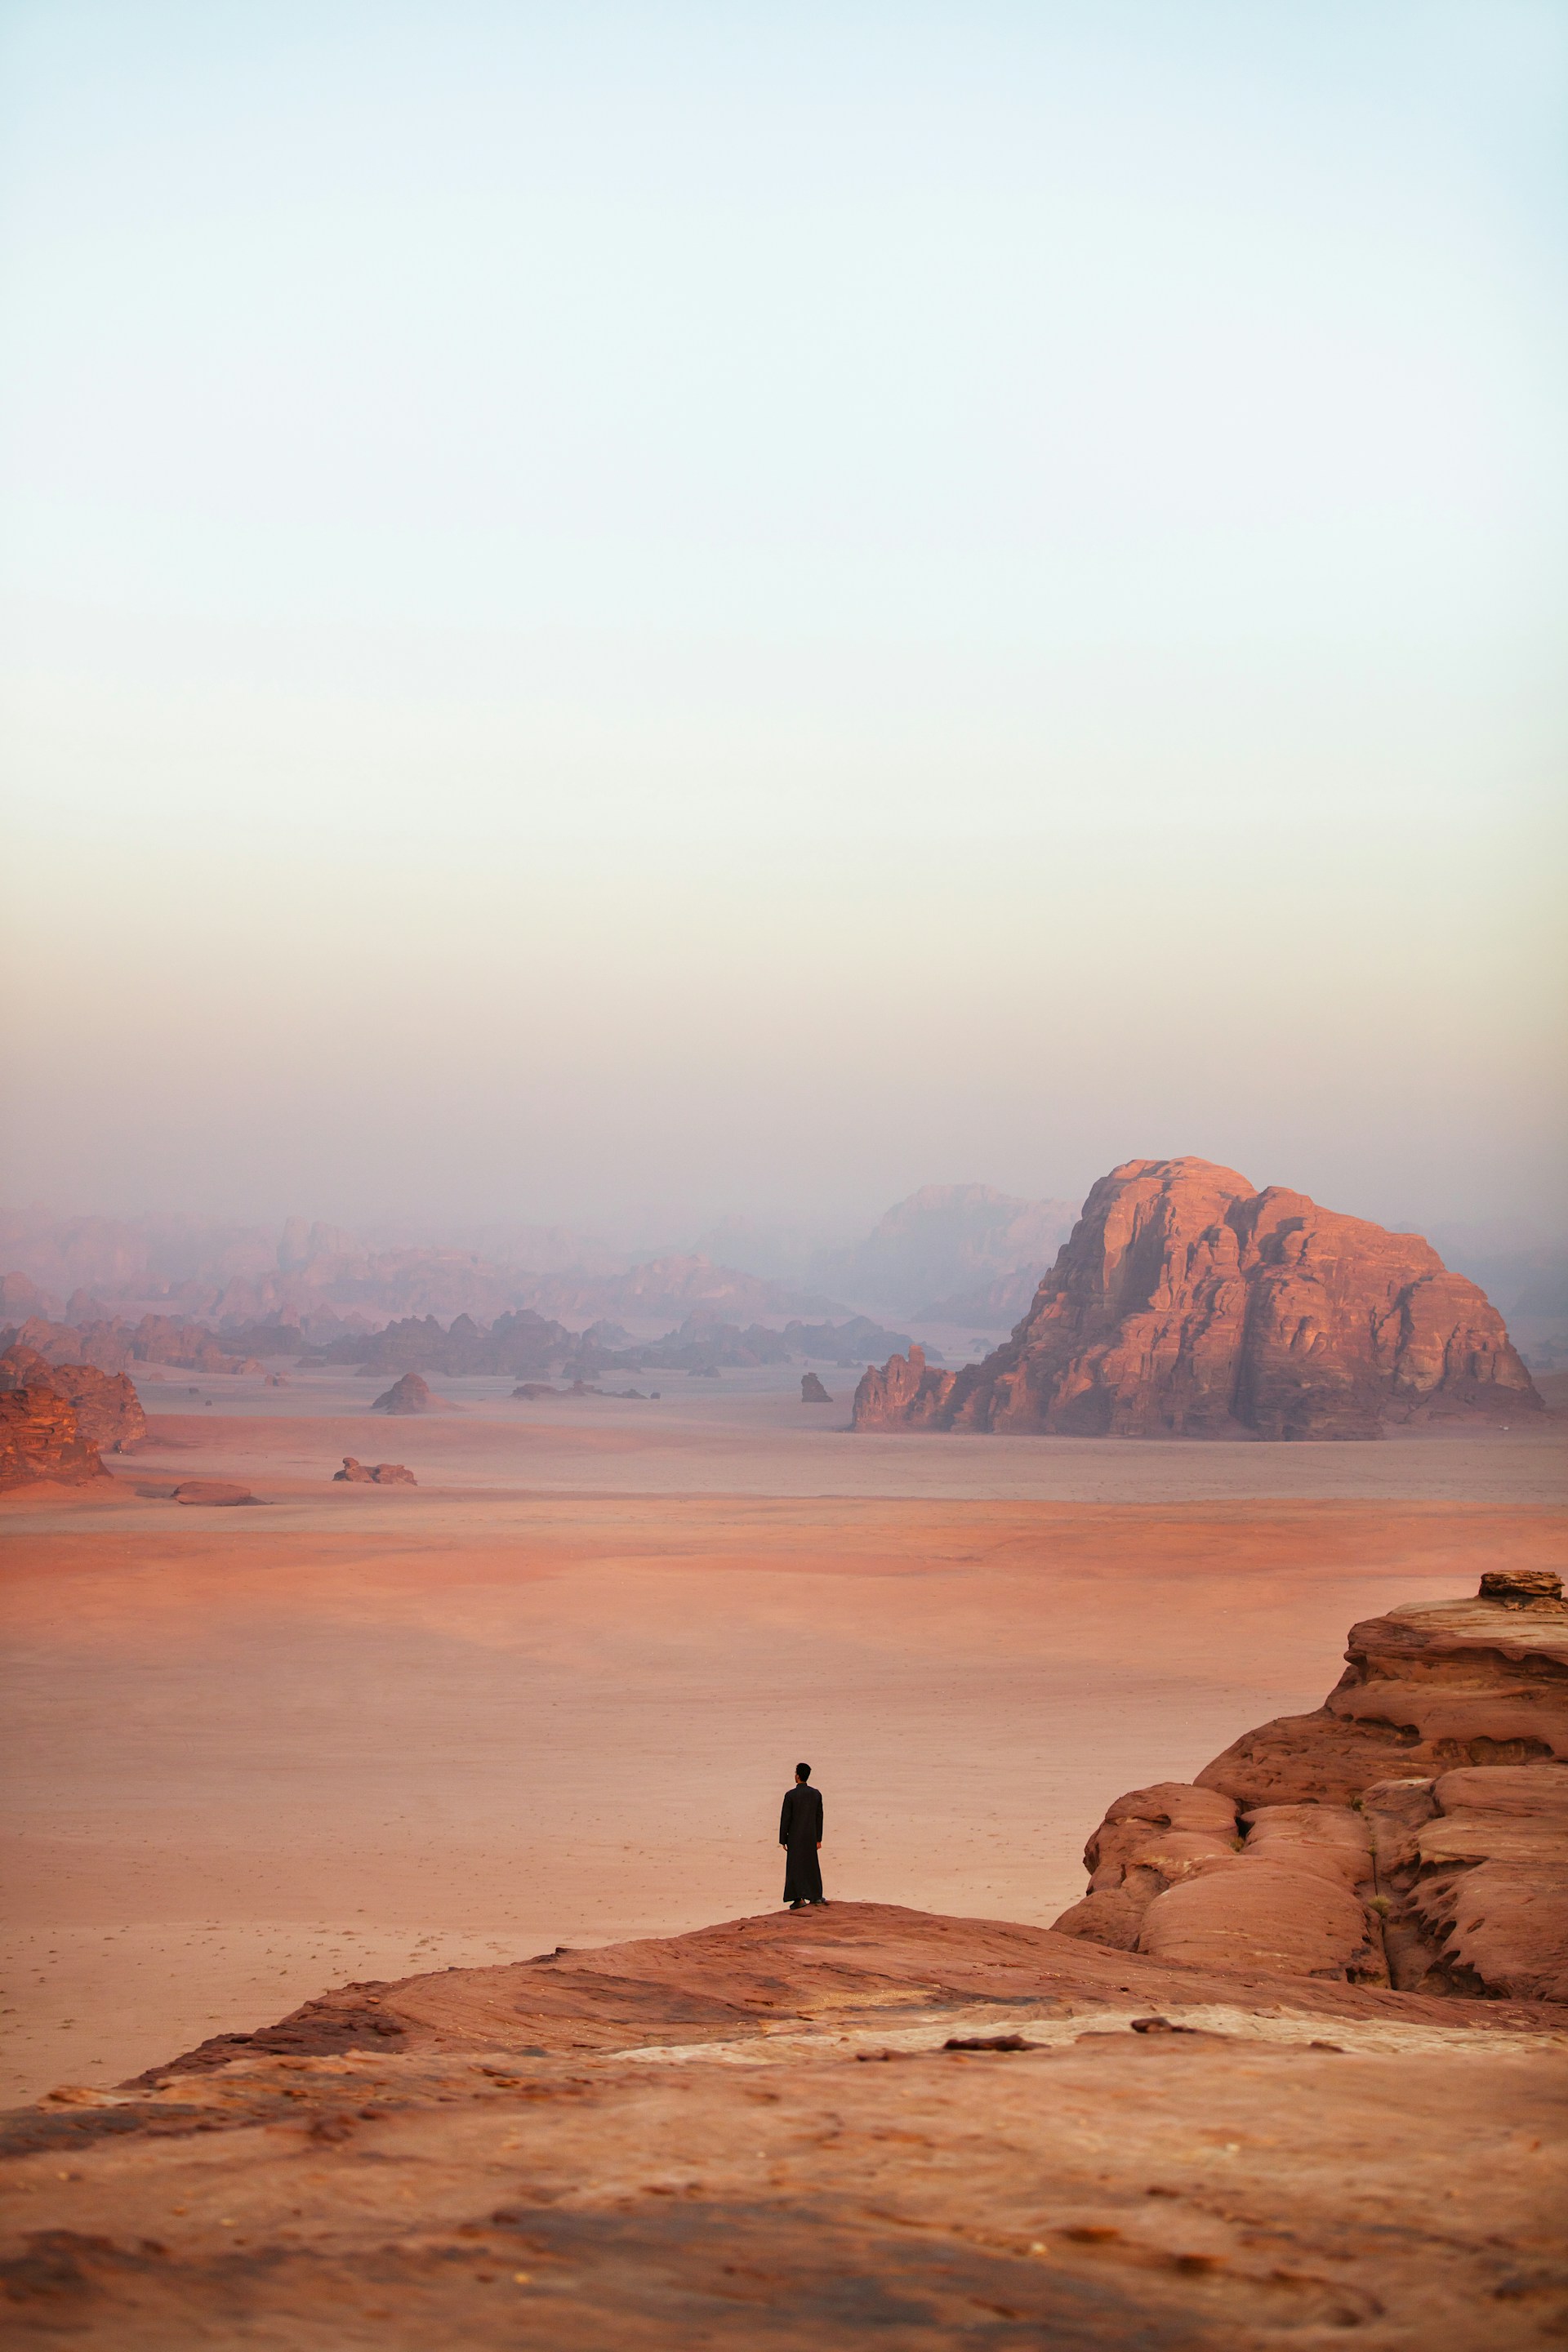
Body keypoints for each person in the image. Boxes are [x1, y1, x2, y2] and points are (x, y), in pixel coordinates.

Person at [779, 1762, 826, 1909]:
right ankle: (816, 1896)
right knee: (811, 1865)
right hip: (811, 1836)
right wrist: (818, 1839)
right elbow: (819, 1817)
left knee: (795, 1867)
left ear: (797, 1776)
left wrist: (783, 1839)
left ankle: (798, 1899)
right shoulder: (816, 1794)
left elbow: (785, 1818)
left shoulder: (790, 1795)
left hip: (794, 1837)